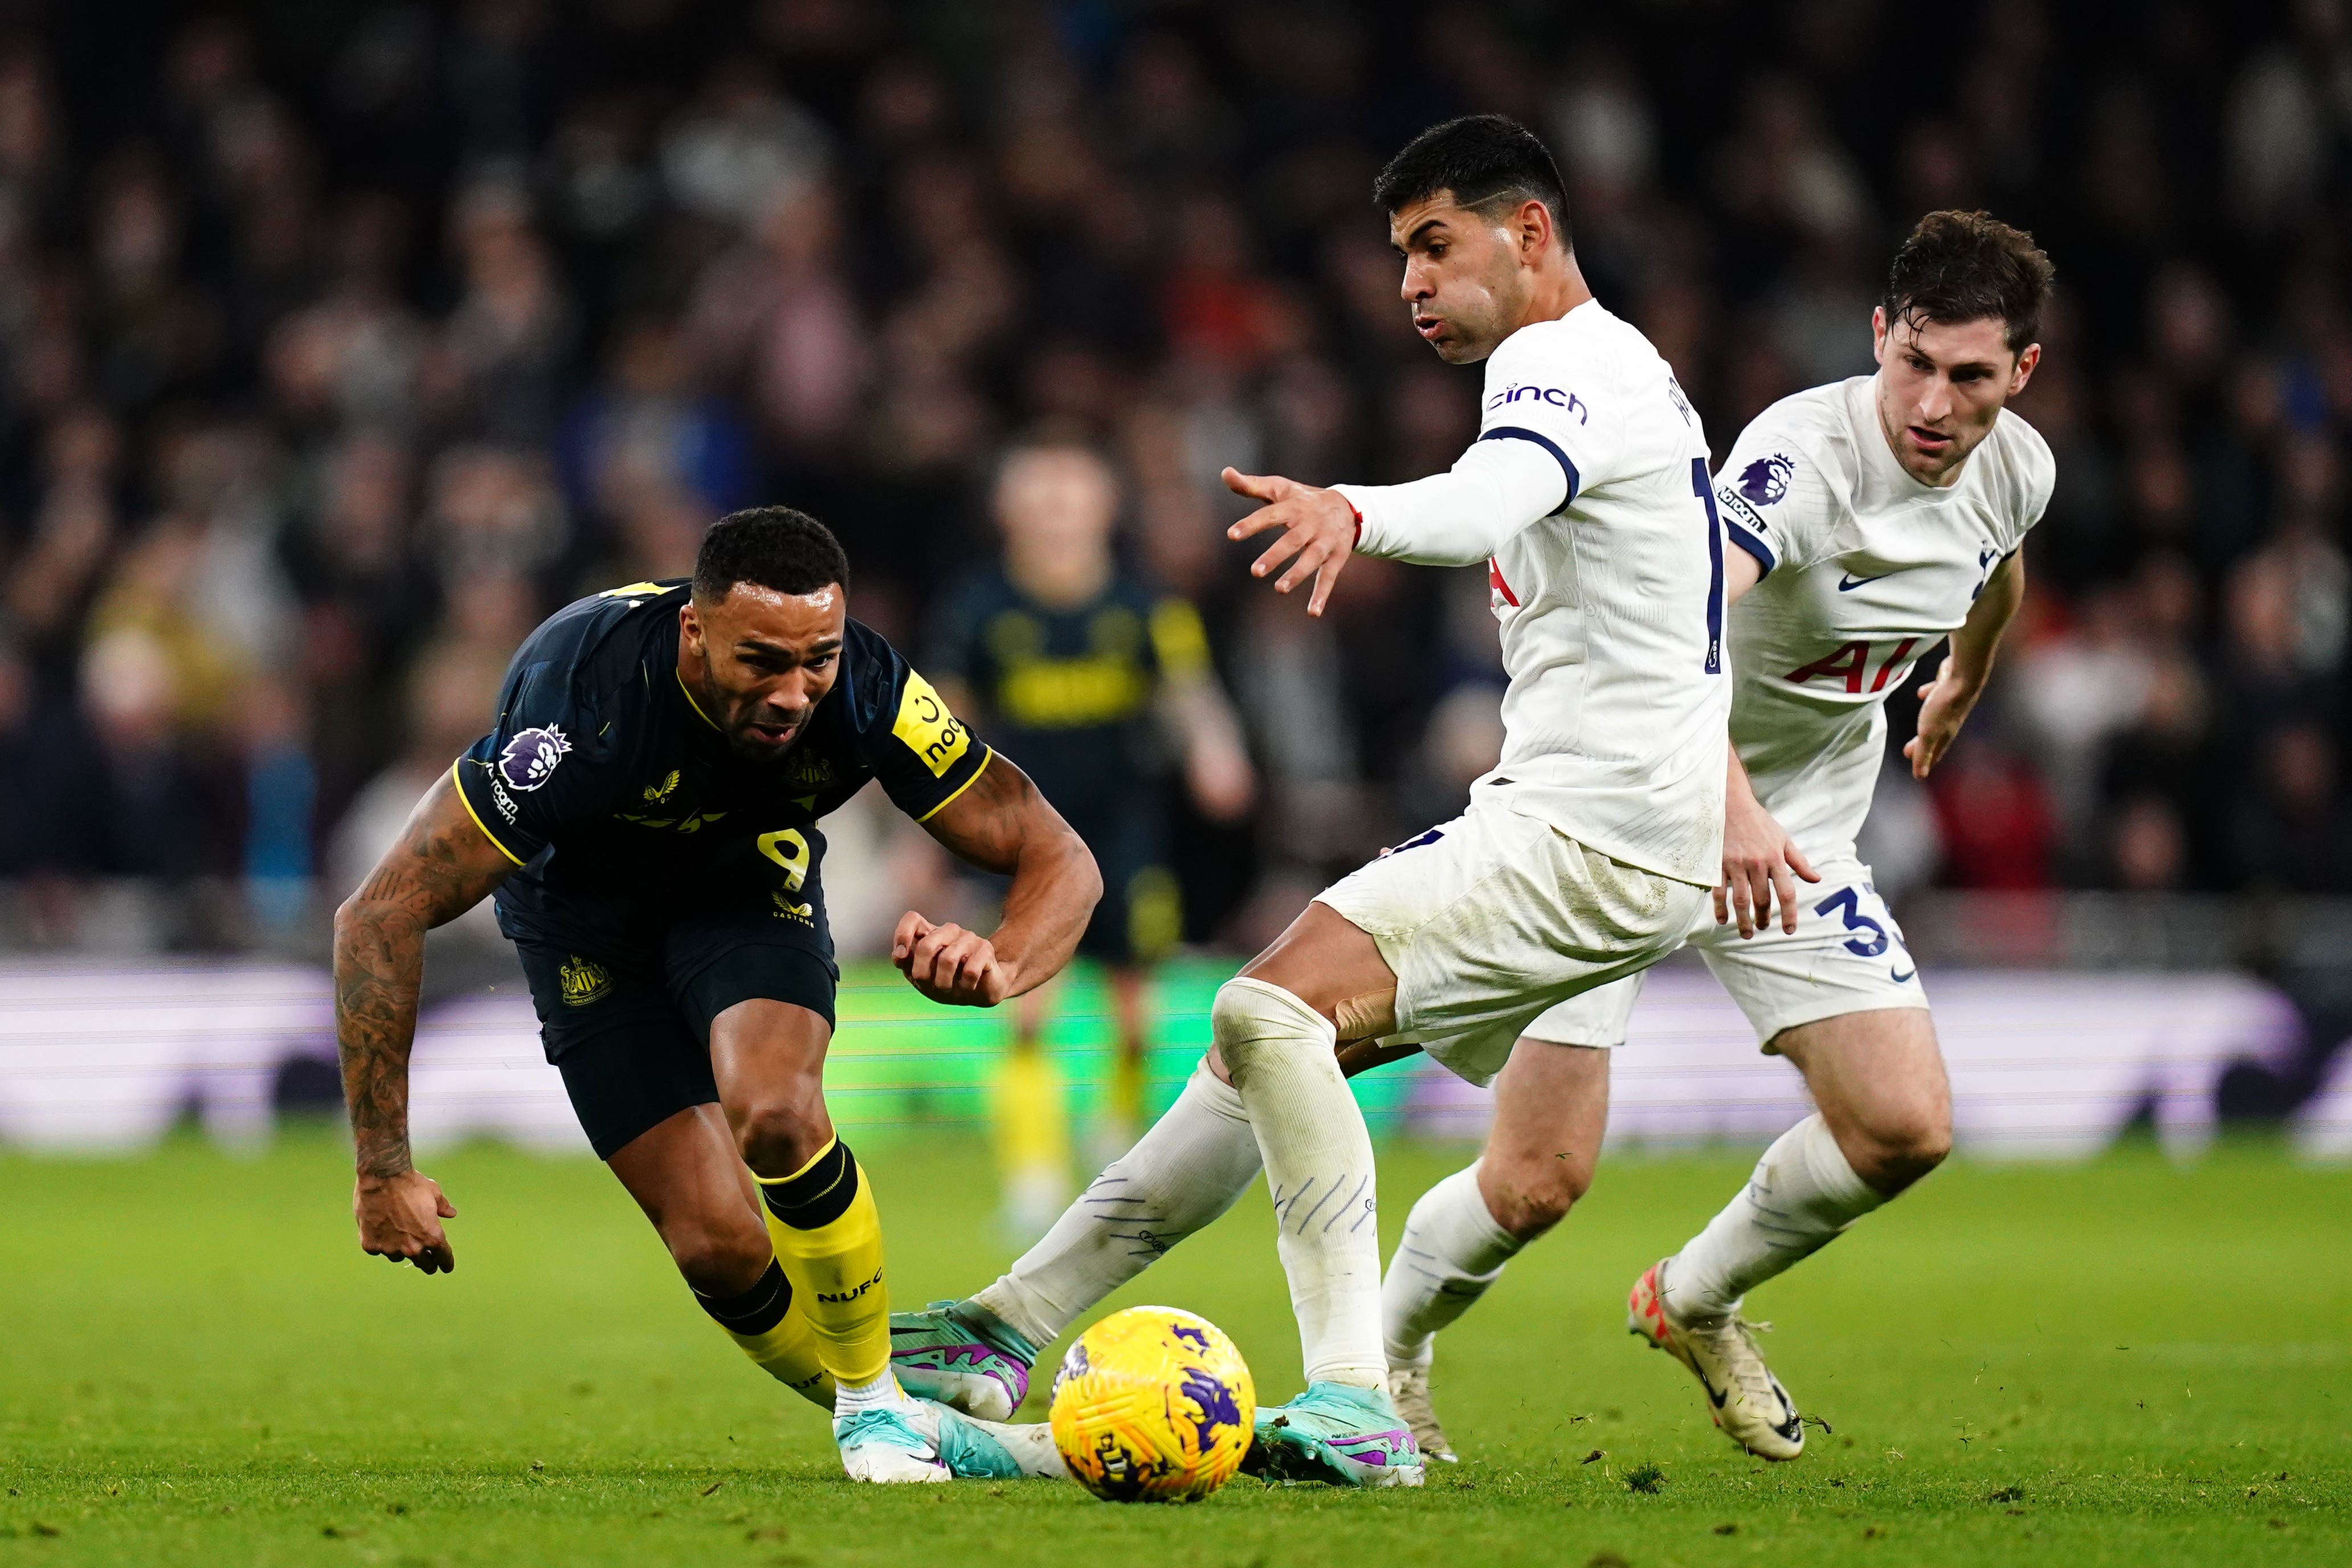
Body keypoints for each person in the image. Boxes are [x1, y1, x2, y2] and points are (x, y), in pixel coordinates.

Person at [893, 114, 1732, 1489]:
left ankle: (1354, 1399)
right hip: (1626, 828)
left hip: (1592, 827)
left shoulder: (1559, 362)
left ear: (1528, 233)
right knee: (1259, 1056)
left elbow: (1482, 502)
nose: (1409, 281)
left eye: (1434, 244)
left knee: (1264, 1007)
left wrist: (1352, 505)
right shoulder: (1618, 366)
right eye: (1400, 253)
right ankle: (1004, 1324)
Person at [1381, 210, 2055, 1463]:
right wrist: (1725, 803)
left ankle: (1693, 1297)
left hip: (1791, 834)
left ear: (2020, 376)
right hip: (1631, 807)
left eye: (1969, 377)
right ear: (1877, 337)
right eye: (1912, 361)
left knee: (1904, 1127)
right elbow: (1684, 622)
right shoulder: (1800, 460)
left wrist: (1965, 675)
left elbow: (1998, 559)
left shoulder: (2019, 466)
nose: (1931, 400)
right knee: (1535, 1181)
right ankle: (1388, 1353)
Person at [332, 507, 1100, 1483]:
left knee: (776, 1112)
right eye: (762, 662)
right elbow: (377, 915)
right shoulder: (581, 703)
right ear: (695, 632)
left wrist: (1002, 963)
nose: (794, 694)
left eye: (816, 658)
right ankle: (921, 1413)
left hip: (744, 887)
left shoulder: (867, 686)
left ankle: (871, 1411)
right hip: (584, 926)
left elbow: (1058, 855)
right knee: (717, 1245)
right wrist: (380, 1169)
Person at [929, 441, 1253, 1239]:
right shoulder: (980, 609)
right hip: (1024, 837)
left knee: (1134, 1016)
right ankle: (1034, 1175)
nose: (1056, 514)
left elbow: (1188, 692)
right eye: (1039, 497)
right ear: (1008, 512)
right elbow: (944, 710)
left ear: (1104, 510)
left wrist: (1217, 750)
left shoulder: (1144, 607)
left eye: (1070, 497)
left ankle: (1112, 1135)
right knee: (1025, 1007)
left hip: (1122, 830)